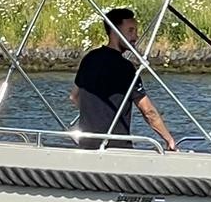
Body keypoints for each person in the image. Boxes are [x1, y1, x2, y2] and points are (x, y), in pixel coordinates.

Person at [70, 8, 177, 150]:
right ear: (114, 31)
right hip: (116, 147)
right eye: (130, 31)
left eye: (136, 31)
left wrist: (94, 115)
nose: (135, 36)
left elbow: (74, 97)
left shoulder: (89, 59)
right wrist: (169, 139)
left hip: (87, 144)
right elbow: (148, 112)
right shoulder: (125, 68)